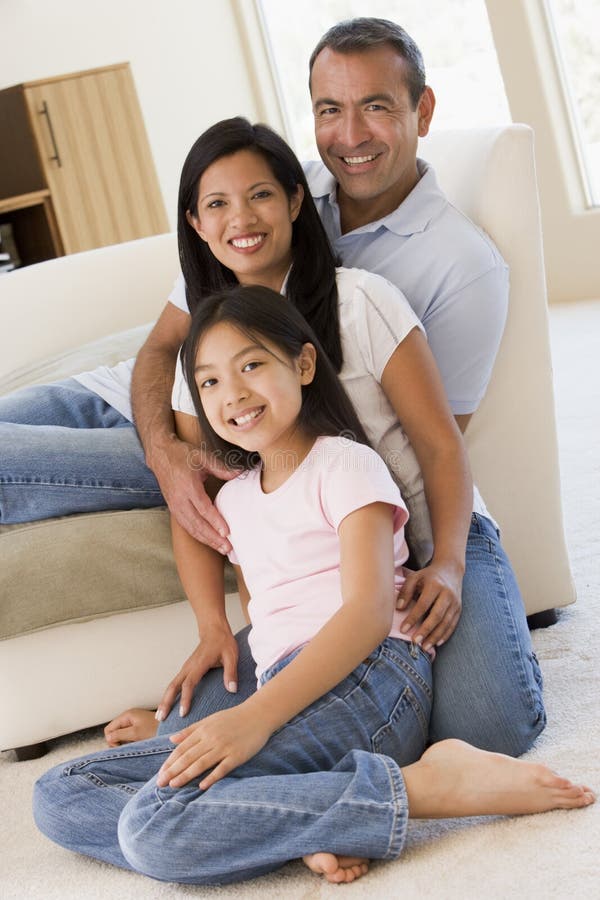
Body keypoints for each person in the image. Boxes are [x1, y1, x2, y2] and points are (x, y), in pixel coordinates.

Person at [2, 18, 543, 755]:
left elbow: (441, 447)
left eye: (376, 106)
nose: (350, 134)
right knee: (196, 737)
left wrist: (444, 564)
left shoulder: (374, 295)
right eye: (330, 110)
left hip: (396, 525)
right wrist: (214, 624)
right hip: (289, 533)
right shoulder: (219, 320)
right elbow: (199, 480)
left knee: (488, 728)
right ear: (195, 222)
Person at [33, 287, 595, 887]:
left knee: (151, 827)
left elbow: (369, 612)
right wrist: (184, 731)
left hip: (369, 679)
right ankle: (311, 823)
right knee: (59, 793)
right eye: (211, 382)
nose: (235, 394)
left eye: (251, 365)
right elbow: (270, 623)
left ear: (303, 365)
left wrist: (251, 718)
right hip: (290, 695)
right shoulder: (237, 499)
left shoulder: (344, 464)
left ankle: (420, 789)